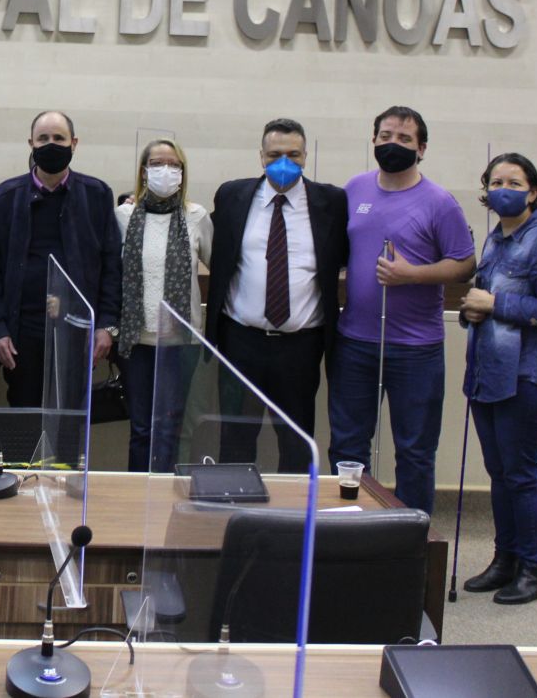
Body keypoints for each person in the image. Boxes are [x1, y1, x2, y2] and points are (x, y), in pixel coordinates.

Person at [327, 106, 475, 514]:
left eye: (405, 139)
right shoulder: (353, 190)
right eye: (386, 136)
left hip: (416, 349)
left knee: (414, 451)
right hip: (355, 343)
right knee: (347, 446)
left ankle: (410, 543)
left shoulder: (439, 202)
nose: (393, 145)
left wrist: (412, 275)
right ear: (373, 140)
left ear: (422, 148)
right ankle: (349, 526)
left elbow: (464, 264)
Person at [457, 153, 537, 605]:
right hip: (488, 372)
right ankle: (504, 559)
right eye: (496, 181)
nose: (505, 188)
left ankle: (531, 569)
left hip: (530, 375)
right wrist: (472, 311)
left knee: (521, 474)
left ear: (534, 191)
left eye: (515, 181)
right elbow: (482, 301)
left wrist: (493, 305)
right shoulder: (493, 240)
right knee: (499, 473)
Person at [206, 119, 348, 474]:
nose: (284, 162)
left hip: (301, 345)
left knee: (296, 441)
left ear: (305, 156)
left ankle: (293, 522)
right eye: (274, 154)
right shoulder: (232, 196)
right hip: (240, 340)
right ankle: (236, 516)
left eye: (293, 154)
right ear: (261, 156)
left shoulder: (331, 201)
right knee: (236, 437)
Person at [0, 110, 121, 408]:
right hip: (22, 333)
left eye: (59, 138)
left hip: (77, 331)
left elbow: (111, 265)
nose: (51, 144)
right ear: (30, 143)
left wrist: (107, 325)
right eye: (43, 138)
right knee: (25, 419)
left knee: (70, 422)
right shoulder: (6, 196)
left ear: (74, 143)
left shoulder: (97, 194)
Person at [114, 139, 212, 472]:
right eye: (157, 164)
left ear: (183, 172)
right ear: (143, 171)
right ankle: (137, 495)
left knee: (170, 428)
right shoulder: (123, 216)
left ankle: (164, 498)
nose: (165, 170)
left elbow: (220, 267)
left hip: (179, 342)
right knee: (141, 428)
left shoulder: (196, 216)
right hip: (136, 341)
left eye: (173, 164)